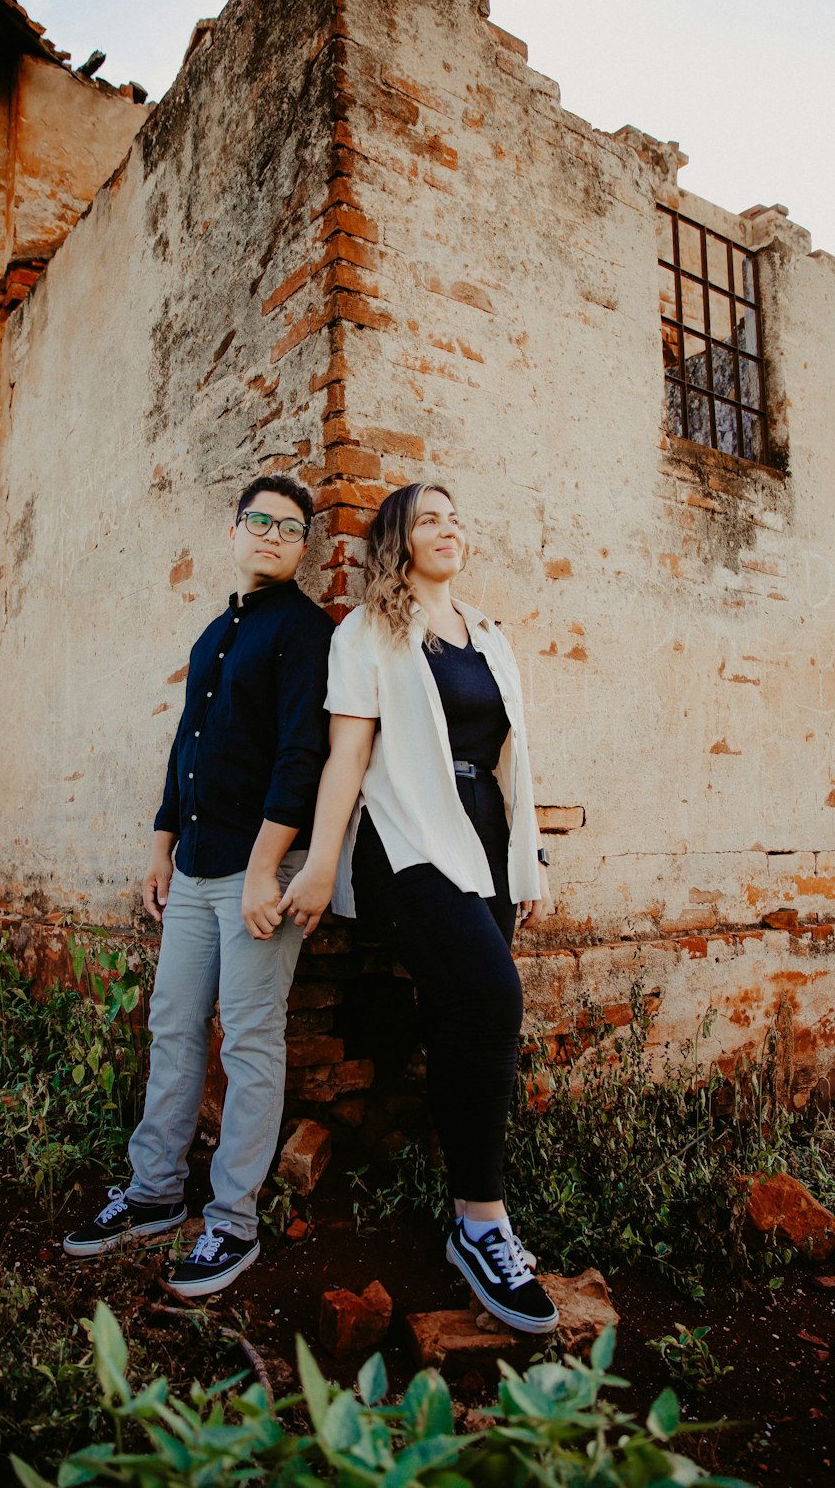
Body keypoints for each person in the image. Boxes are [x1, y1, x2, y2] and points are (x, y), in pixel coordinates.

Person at [279, 482, 559, 1334]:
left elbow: (515, 761)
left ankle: (461, 1204)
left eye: (455, 516)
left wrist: (530, 857)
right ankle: (483, 1225)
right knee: (492, 997)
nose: (448, 528)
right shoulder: (367, 633)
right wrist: (320, 866)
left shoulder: (491, 636)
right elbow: (346, 760)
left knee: (455, 1015)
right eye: (428, 519)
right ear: (398, 540)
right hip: (408, 840)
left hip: (487, 840)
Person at [63, 475, 333, 1296]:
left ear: (302, 548)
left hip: (262, 877)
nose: (273, 534)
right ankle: (151, 1196)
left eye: (291, 528)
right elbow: (188, 742)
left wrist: (261, 870)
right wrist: (160, 846)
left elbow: (301, 757)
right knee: (174, 1024)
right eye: (260, 520)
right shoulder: (217, 631)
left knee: (250, 1042)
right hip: (193, 868)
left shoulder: (304, 631)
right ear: (234, 530)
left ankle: (232, 1226)